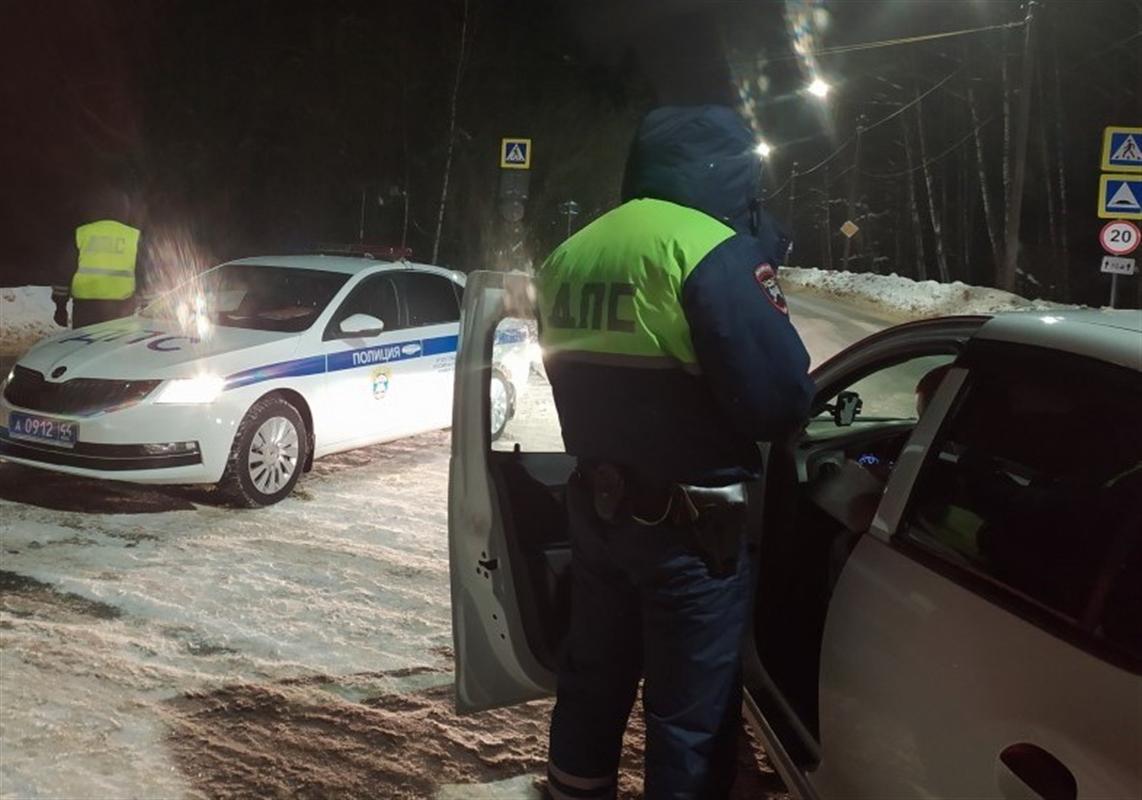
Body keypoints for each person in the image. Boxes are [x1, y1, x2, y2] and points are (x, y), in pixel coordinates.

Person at [537, 106, 814, 799]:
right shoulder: (709, 250)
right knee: (689, 718)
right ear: (730, 170)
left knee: (592, 684)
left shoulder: (571, 251)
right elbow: (779, 402)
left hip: (598, 517)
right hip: (692, 534)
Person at [52, 194, 145, 328]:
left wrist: (60, 306)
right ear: (125, 210)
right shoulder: (134, 237)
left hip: (85, 309)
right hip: (122, 309)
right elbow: (145, 274)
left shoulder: (81, 233)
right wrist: (148, 305)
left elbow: (64, 272)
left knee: (87, 347)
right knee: (116, 348)